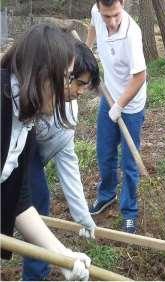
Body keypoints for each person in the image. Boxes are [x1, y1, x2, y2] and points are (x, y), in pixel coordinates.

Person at [1, 23, 91, 281]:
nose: (67, 89)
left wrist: (61, 254)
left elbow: (18, 199)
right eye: (65, 77)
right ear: (40, 73)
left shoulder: (26, 120)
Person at [22, 40, 100, 281]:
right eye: (79, 83)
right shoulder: (25, 94)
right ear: (61, 75)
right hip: (19, 152)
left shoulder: (69, 111)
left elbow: (67, 159)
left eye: (86, 86)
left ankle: (36, 273)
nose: (81, 91)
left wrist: (82, 215)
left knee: (36, 205)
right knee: (35, 203)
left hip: (30, 157)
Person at [86, 0, 147, 234]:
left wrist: (120, 105)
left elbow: (140, 76)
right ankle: (107, 194)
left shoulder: (132, 33)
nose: (111, 21)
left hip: (130, 104)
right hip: (109, 95)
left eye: (116, 15)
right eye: (106, 16)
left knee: (129, 162)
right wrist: (87, 48)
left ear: (123, 4)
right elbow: (93, 24)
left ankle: (129, 211)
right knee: (104, 152)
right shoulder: (96, 12)